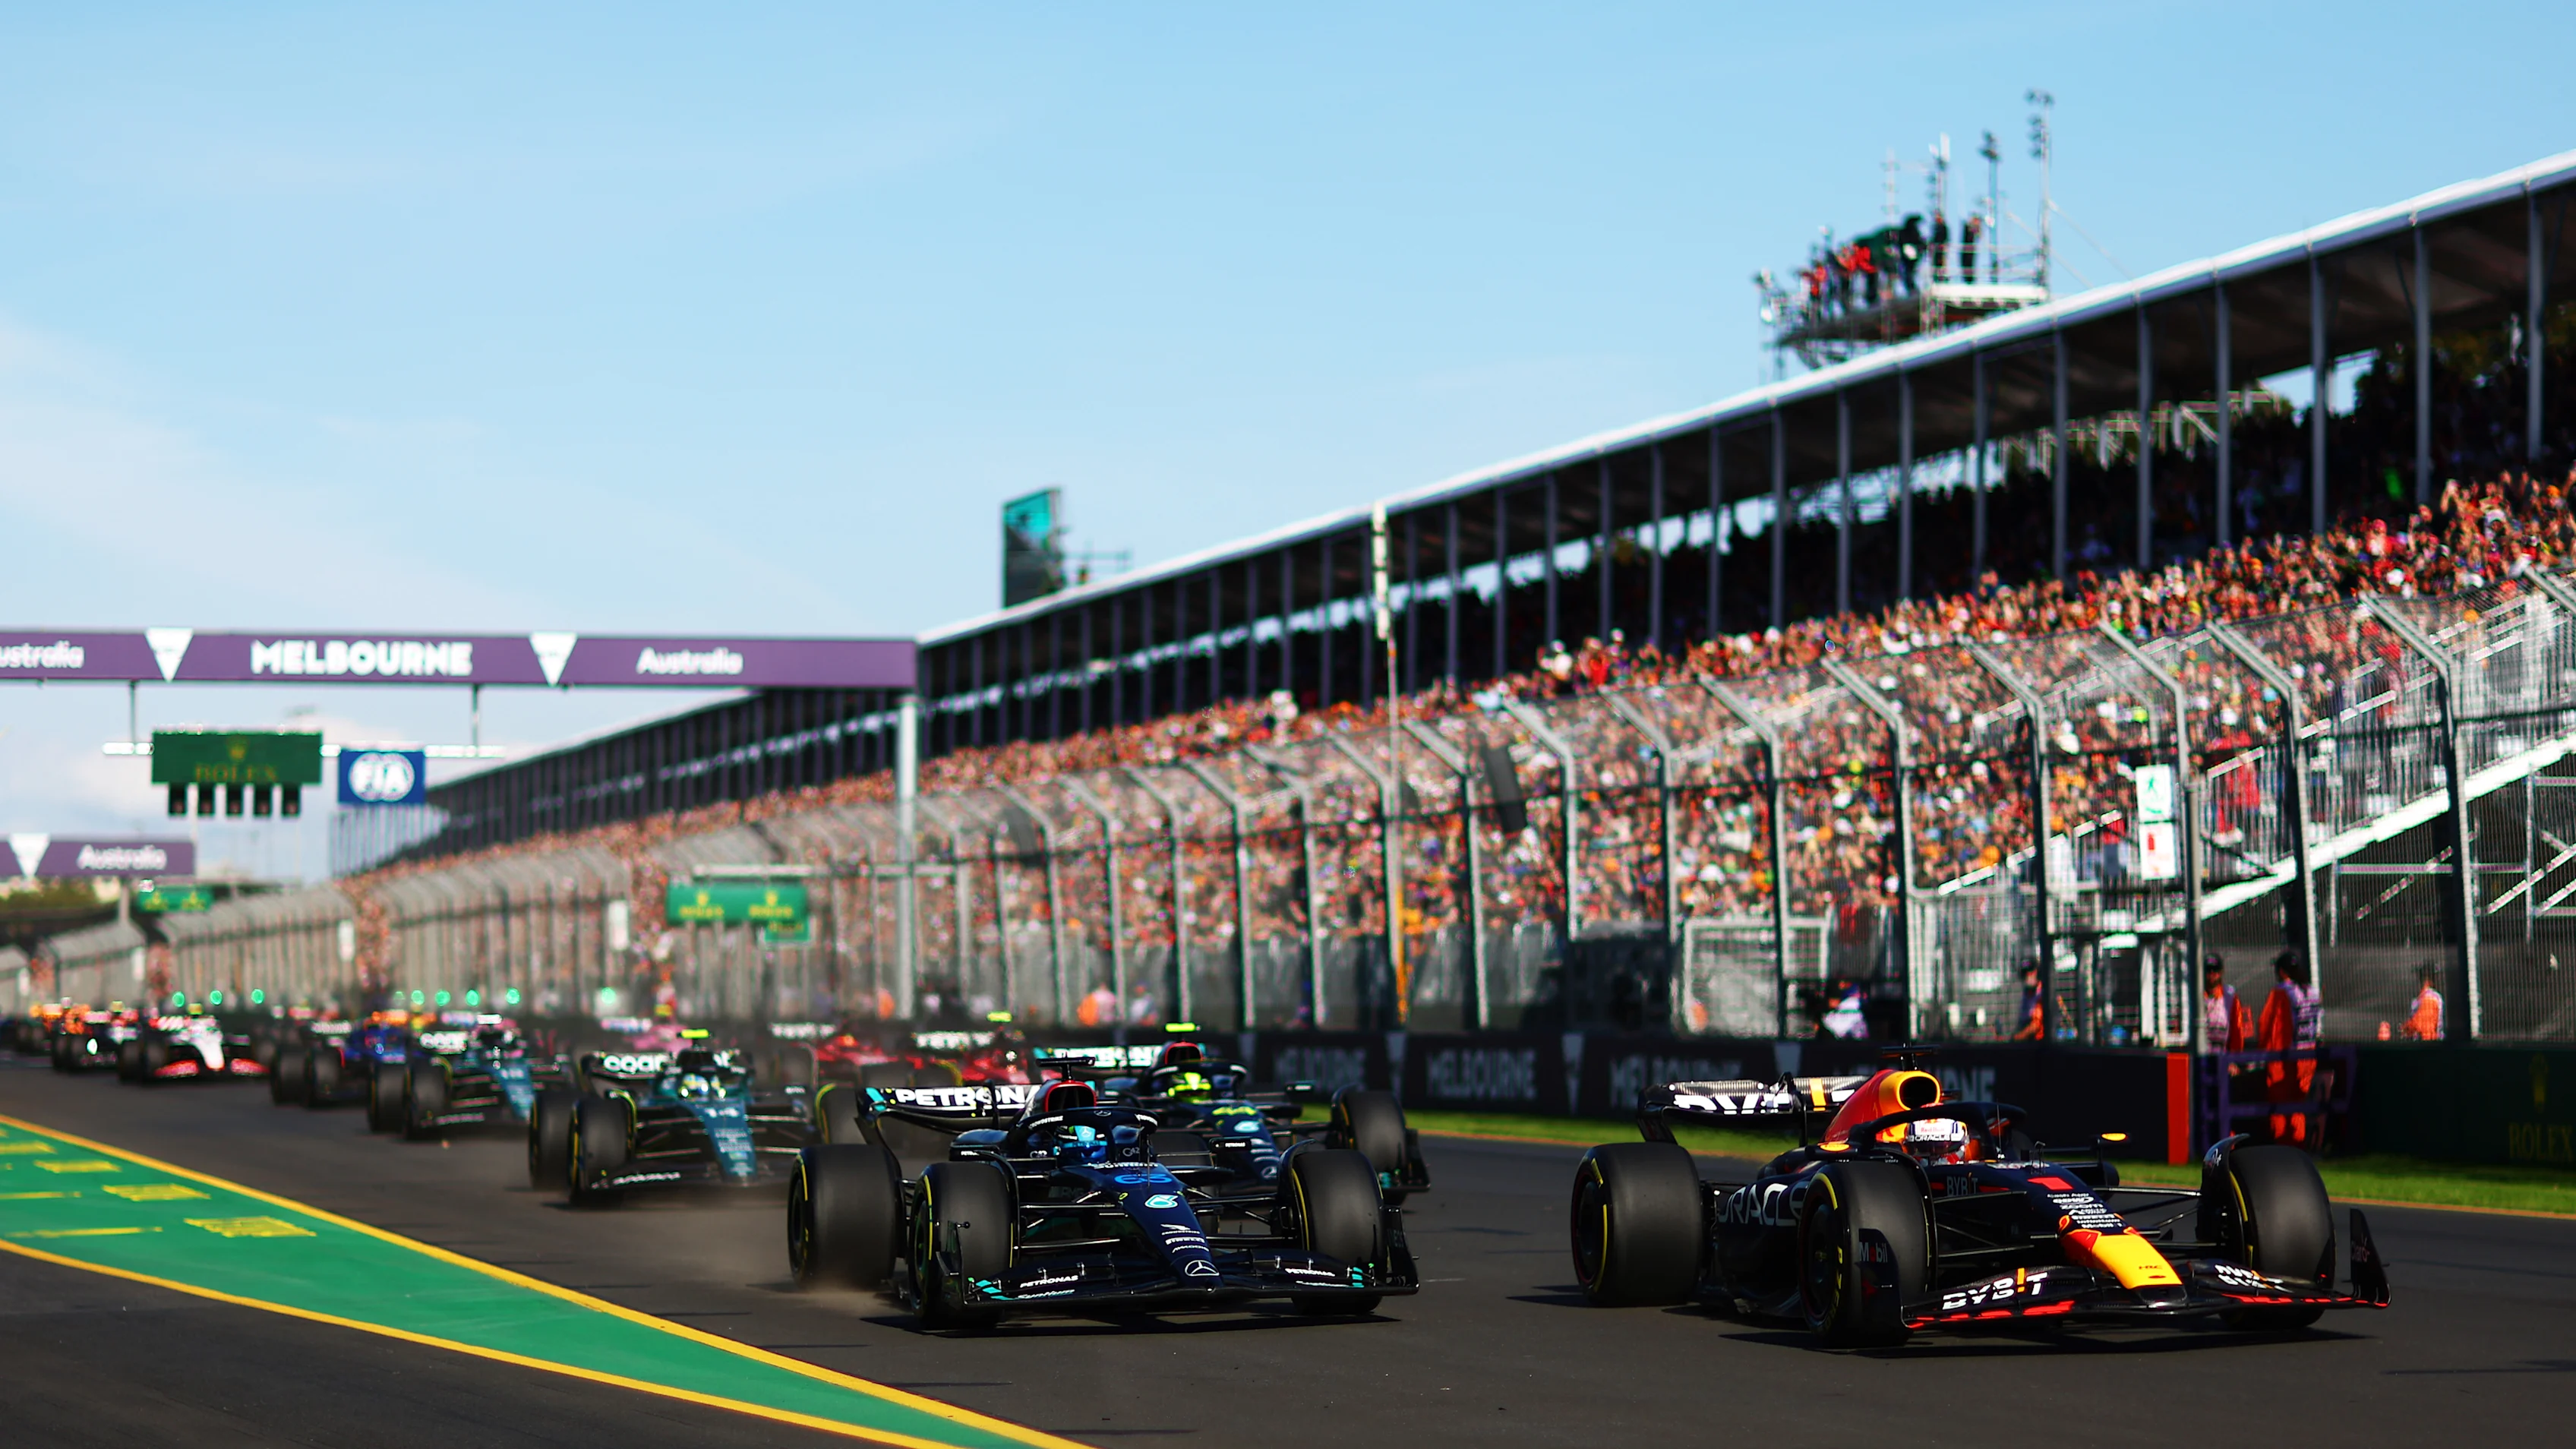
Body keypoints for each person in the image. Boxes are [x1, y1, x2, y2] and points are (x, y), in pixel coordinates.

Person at [2257, 949, 2321, 1145]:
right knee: (2298, 1107)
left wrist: (2265, 1055)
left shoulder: (2282, 992)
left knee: (2280, 1108)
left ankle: (2283, 1149)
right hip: (2309, 1056)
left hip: (2286, 1060)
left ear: (2282, 972)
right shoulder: (2312, 991)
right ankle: (2298, 1147)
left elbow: (2268, 1025)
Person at [2202, 952, 2252, 1053]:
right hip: (2200, 1055)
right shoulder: (2195, 996)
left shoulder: (2230, 997)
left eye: (2215, 970)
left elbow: (2237, 1030)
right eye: (2208, 970)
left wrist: (2233, 1059)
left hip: (2222, 1055)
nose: (2212, 974)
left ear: (2221, 972)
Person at [2399, 965, 2444, 1041]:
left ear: (2426, 979)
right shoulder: (2421, 998)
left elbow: (2426, 1030)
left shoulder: (2430, 998)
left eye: (2419, 977)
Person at [2010, 965, 2044, 1041]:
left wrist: (2018, 1037)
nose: (2028, 978)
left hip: (2040, 1042)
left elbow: (2036, 1024)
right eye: (2026, 975)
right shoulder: (2026, 994)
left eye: (2031, 974)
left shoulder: (2043, 994)